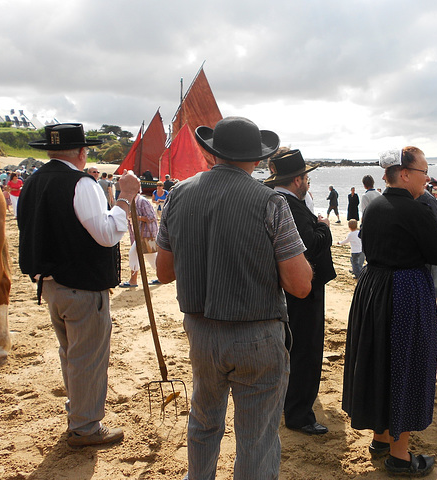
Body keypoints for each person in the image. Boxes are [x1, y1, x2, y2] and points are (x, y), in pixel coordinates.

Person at [156, 116, 312, 480]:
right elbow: (300, 285)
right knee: (256, 438)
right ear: (257, 160)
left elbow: (165, 272)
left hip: (200, 330)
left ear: (213, 153)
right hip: (256, 332)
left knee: (204, 422)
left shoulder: (178, 194)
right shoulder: (270, 201)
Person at [342, 147, 437, 477]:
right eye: (424, 172)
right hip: (405, 292)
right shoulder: (416, 211)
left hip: (373, 288)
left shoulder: (376, 206)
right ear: (406, 173)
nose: (428, 179)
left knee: (380, 361)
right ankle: (399, 456)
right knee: (406, 366)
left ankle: (381, 438)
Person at [17, 123, 141, 447]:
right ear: (82, 152)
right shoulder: (81, 182)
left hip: (51, 285)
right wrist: (125, 198)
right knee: (87, 357)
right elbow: (106, 234)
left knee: (71, 354)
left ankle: (78, 414)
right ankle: (85, 427)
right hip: (82, 287)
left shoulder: (32, 181)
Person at [264, 149, 336, 436]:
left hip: (290, 287)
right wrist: (324, 227)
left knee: (294, 348)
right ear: (297, 180)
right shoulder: (290, 205)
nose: (307, 181)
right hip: (305, 287)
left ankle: (292, 405)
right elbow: (309, 244)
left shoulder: (278, 200)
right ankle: (299, 414)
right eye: (305, 176)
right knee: (306, 350)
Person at [119, 193, 159, 288]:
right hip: (140, 234)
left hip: (146, 234)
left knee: (133, 253)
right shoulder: (131, 202)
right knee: (151, 256)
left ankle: (133, 280)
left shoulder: (142, 201)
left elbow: (151, 217)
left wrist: (136, 216)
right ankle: (162, 275)